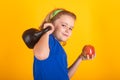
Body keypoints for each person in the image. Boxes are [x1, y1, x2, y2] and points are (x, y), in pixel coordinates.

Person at [33, 8, 94, 80]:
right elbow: (40, 55)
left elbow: (65, 76)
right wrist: (46, 31)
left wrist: (80, 58)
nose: (67, 30)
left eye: (71, 28)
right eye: (64, 25)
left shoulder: (60, 50)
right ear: (51, 24)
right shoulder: (47, 39)